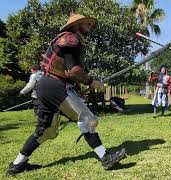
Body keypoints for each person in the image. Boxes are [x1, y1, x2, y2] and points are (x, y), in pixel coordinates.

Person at [7, 13, 126, 176]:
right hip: (56, 86)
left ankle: (16, 165)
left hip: (47, 86)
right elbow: (73, 70)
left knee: (46, 131)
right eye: (86, 24)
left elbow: (65, 70)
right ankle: (106, 157)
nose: (89, 26)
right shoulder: (71, 39)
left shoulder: (67, 40)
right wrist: (91, 82)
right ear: (76, 25)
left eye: (90, 24)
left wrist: (77, 90)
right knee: (89, 119)